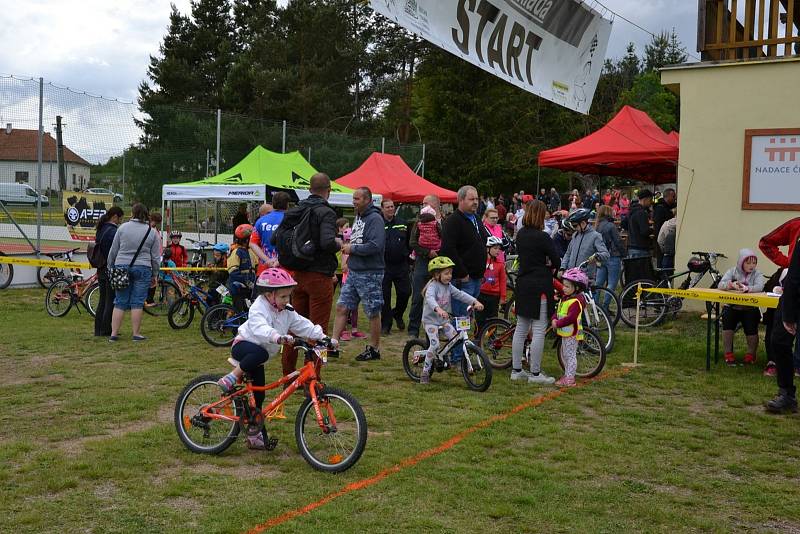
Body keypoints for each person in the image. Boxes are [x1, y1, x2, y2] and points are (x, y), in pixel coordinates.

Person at [217, 268, 331, 449]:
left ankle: (254, 437)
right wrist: (276, 336)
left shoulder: (287, 311)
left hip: (258, 358)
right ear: (270, 295)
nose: (287, 300)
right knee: (260, 354)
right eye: (284, 297)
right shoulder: (258, 307)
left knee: (259, 394)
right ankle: (231, 377)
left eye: (289, 296)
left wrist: (323, 337)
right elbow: (259, 327)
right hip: (243, 347)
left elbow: (303, 325)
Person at [273, 173, 341, 337]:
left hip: (297, 274)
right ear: (329, 191)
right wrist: (338, 244)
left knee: (295, 326)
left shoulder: (295, 211)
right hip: (320, 274)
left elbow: (274, 238)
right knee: (319, 330)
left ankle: (288, 363)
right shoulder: (327, 212)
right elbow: (326, 243)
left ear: (310, 190)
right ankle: (316, 363)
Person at [331, 187, 386, 362]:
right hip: (354, 271)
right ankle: (333, 345)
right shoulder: (358, 217)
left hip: (370, 272)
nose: (354, 202)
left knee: (372, 311)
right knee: (341, 307)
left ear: (367, 200)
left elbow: (376, 245)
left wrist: (352, 248)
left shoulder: (375, 219)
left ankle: (374, 349)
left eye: (357, 199)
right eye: (353, 198)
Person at [511, 200, 561, 384]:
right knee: (539, 329)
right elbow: (556, 260)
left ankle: (516, 370)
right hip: (540, 284)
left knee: (521, 327)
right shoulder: (543, 237)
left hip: (523, 283)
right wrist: (549, 264)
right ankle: (535, 373)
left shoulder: (521, 234)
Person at [440, 185, 488, 363]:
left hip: (476, 277)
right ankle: (456, 356)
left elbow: (481, 241)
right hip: (463, 279)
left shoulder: (475, 218)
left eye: (476, 199)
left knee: (466, 317)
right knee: (460, 318)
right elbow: (448, 249)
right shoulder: (453, 221)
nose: (475, 202)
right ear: (460, 200)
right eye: (471, 199)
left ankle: (461, 352)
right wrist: (461, 272)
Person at [419, 256, 484, 384]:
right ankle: (425, 372)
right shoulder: (433, 286)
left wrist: (475, 301)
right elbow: (430, 299)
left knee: (455, 338)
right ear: (437, 274)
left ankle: (443, 358)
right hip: (430, 321)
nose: (449, 276)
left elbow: (460, 294)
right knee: (435, 344)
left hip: (443, 321)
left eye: (451, 273)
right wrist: (438, 309)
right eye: (446, 273)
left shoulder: (448, 286)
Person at [107, 203, 161, 342]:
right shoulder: (152, 231)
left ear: (132, 213)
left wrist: (110, 266)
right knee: (137, 302)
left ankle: (113, 333)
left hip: (121, 266)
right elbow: (155, 257)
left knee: (120, 301)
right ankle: (136, 334)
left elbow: (114, 250)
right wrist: (155, 274)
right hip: (143, 267)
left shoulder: (122, 228)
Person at [759, 217, 800, 377]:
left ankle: (797, 366)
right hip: (792, 284)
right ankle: (775, 362)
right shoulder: (795, 224)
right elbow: (766, 243)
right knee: (780, 327)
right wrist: (788, 263)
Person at [765, 237, 800, 414]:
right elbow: (794, 274)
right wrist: (788, 313)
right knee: (778, 341)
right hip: (792, 297)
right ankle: (786, 394)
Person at [718, 249, 766, 366]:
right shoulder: (732, 271)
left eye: (754, 263)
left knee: (751, 331)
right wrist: (731, 284)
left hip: (750, 308)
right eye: (748, 263)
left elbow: (760, 286)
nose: (751, 266)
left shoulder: (757, 274)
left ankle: (751, 355)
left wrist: (748, 288)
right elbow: (720, 285)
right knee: (727, 326)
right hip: (732, 306)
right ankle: (728, 354)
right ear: (741, 262)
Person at [408, 196, 443, 338]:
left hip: (440, 263)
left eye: (426, 203)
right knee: (418, 295)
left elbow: (447, 240)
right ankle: (413, 329)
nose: (423, 205)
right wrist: (428, 252)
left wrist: (438, 253)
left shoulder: (444, 222)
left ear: (436, 205)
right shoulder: (420, 221)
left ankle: (438, 327)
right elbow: (412, 242)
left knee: (440, 297)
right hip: (422, 261)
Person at [552, 268, 589, 387]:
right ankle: (568, 374)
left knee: (570, 355)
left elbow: (571, 318)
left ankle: (570, 379)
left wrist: (558, 324)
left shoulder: (575, 302)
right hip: (565, 332)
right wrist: (554, 318)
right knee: (566, 354)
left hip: (572, 334)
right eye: (564, 285)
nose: (563, 288)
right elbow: (558, 310)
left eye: (567, 286)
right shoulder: (566, 298)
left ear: (576, 288)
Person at [381, 198, 411, 335]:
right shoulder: (378, 224)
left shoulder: (403, 223)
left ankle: (397, 314)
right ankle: (386, 324)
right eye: (387, 207)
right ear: (382, 209)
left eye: (392, 206)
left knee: (405, 292)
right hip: (384, 266)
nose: (390, 209)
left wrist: (407, 255)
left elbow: (410, 242)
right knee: (384, 296)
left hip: (401, 265)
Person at [93, 206, 124, 337]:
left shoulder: (101, 229)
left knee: (102, 300)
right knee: (110, 300)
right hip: (109, 268)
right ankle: (106, 329)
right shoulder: (112, 231)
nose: (120, 222)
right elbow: (113, 251)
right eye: (120, 219)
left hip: (101, 268)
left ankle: (98, 329)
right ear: (115, 217)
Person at [561, 208, 609, 281]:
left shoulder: (595, 236)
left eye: (575, 226)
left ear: (583, 223)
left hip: (585, 277)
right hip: (572, 275)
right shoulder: (575, 235)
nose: (574, 228)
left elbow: (606, 254)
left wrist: (597, 256)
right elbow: (568, 253)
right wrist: (563, 267)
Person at [337, 223, 365, 342]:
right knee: (345, 306)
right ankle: (342, 330)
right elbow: (344, 267)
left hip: (356, 280)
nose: (349, 243)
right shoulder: (345, 251)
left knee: (355, 307)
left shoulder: (355, 250)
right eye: (347, 240)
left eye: (351, 240)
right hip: (346, 281)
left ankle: (354, 329)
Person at [594, 205, 626, 308]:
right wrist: (624, 254)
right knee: (611, 283)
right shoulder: (611, 226)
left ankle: (595, 307)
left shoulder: (597, 226)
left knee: (598, 283)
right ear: (608, 212)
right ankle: (605, 307)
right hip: (613, 256)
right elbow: (618, 241)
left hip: (601, 257)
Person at [251, 193, 289, 275]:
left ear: (273, 203)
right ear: (287, 204)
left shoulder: (261, 221)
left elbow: (252, 244)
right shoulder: (292, 219)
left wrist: (267, 260)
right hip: (286, 270)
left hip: (265, 269)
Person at [476, 236, 506, 332]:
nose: (498, 251)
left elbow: (503, 281)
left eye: (499, 248)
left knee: (493, 318)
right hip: (480, 294)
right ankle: (478, 337)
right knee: (479, 317)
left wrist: (503, 297)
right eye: (495, 248)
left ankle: (491, 338)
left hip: (494, 296)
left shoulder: (500, 264)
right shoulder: (480, 261)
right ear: (488, 248)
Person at [227, 224, 258, 313]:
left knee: (248, 309)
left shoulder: (251, 251)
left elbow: (256, 267)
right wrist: (246, 281)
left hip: (249, 287)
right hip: (237, 287)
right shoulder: (236, 251)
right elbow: (233, 271)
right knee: (238, 310)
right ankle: (234, 326)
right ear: (246, 240)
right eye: (251, 238)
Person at [626, 189, 654, 281]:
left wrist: (633, 230)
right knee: (644, 277)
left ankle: (633, 293)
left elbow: (623, 224)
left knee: (634, 277)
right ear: (645, 199)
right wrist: (652, 230)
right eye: (650, 200)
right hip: (641, 248)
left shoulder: (631, 211)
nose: (651, 203)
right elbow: (644, 231)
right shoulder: (642, 213)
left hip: (631, 247)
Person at [653, 188, 676, 268]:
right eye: (673, 196)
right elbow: (658, 225)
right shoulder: (660, 208)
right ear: (668, 196)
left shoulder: (667, 206)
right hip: (662, 237)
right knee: (662, 260)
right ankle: (661, 278)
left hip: (667, 238)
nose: (675, 198)